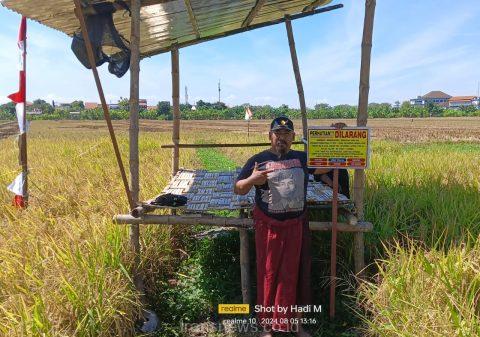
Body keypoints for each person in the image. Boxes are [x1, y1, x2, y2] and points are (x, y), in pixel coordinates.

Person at [234, 117, 330, 337]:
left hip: (296, 227)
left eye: (286, 134)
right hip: (269, 228)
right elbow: (238, 188)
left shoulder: (303, 158)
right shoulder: (258, 160)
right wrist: (252, 180)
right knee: (269, 273)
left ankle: (296, 325)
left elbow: (328, 163)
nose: (282, 138)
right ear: (270, 136)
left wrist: (337, 134)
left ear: (293, 138)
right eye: (278, 134)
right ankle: (267, 327)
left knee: (295, 274)